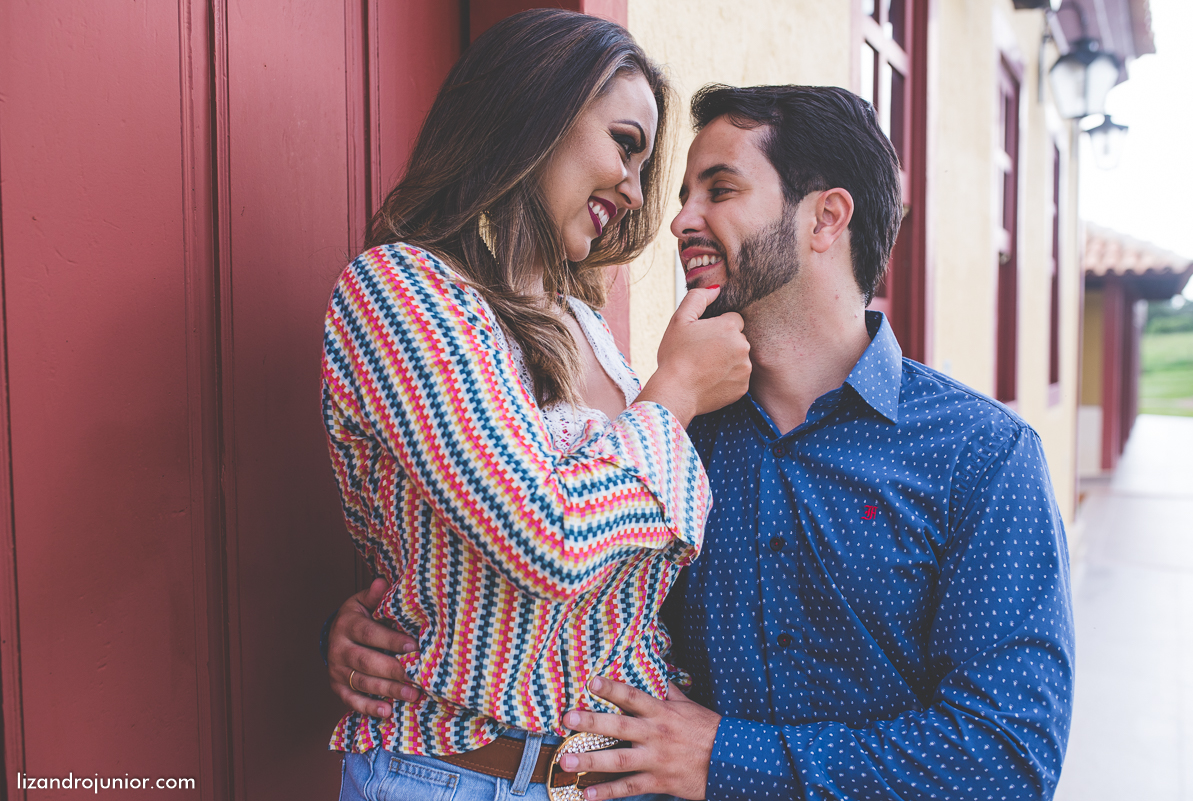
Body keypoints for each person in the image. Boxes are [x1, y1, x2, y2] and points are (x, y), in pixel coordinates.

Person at [328, 84, 1075, 801]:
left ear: (826, 218)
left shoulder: (979, 455)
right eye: (682, 192)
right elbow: (565, 591)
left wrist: (727, 758)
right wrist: (388, 624)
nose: (680, 218)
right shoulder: (669, 434)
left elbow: (1007, 754)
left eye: (718, 190)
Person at [320, 9, 750, 801]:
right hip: (449, 776)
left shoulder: (591, 330)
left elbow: (632, 591)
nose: (632, 186)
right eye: (624, 143)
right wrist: (675, 394)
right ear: (537, 107)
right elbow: (544, 534)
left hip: (613, 781)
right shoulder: (403, 292)